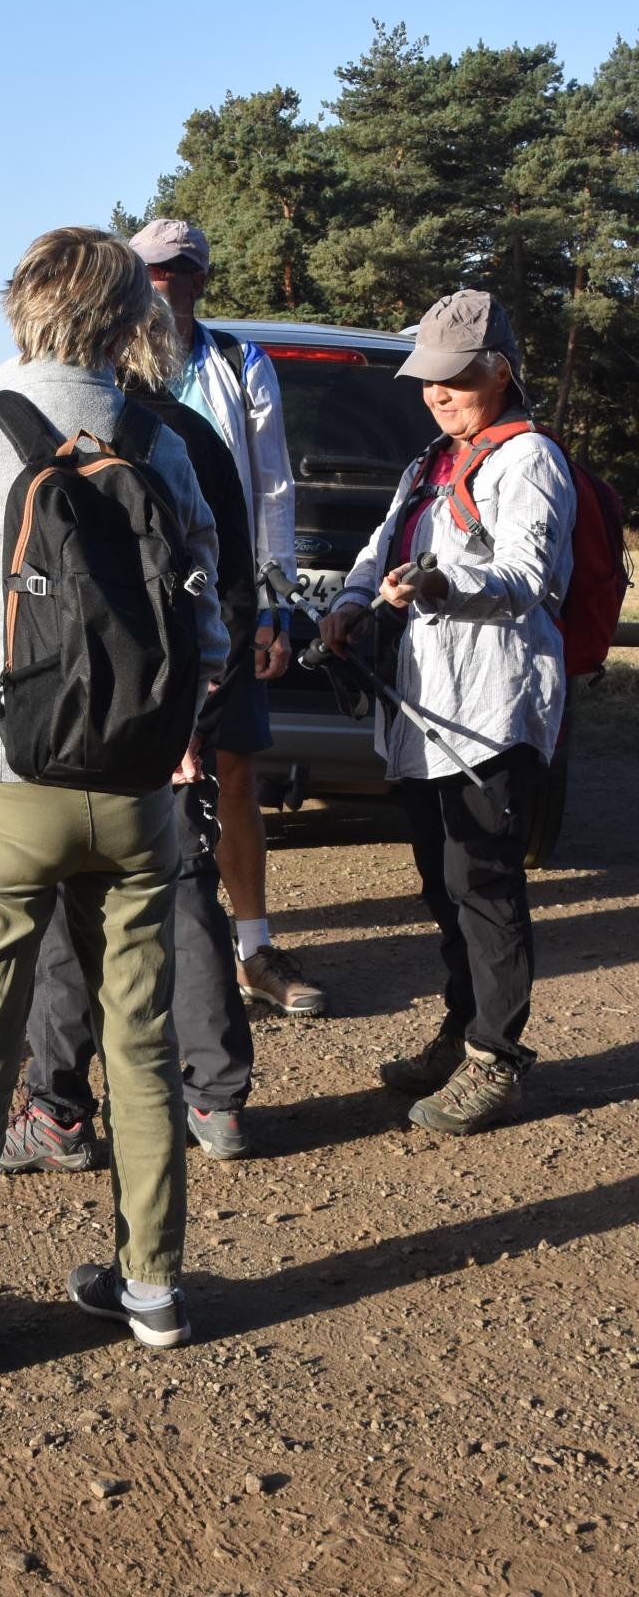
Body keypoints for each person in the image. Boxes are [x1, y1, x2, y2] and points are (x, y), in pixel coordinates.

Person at [0, 228, 225, 1376]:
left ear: (20, 307)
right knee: (142, 1037)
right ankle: (154, 1285)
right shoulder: (163, 446)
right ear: (133, 319)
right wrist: (175, 738)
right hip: (134, 791)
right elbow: (208, 624)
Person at [319, 291, 574, 1136]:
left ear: (498, 371)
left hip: (492, 710)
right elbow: (380, 545)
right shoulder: (432, 459)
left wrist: (443, 587)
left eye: (454, 377)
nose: (437, 391)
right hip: (429, 710)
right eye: (428, 378)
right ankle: (462, 1034)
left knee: (485, 885)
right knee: (442, 883)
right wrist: (355, 601)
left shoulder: (528, 459)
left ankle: (495, 1064)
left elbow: (529, 578)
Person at [2, 392, 260, 1166]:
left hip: (67, 715)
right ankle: (216, 1102)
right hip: (165, 710)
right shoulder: (186, 437)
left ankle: (58, 1110)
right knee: (185, 891)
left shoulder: (33, 427)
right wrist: (194, 714)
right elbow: (225, 577)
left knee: (64, 909)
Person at [130, 218, 326, 1017]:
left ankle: (253, 951)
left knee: (237, 771)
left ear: (201, 278)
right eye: (150, 268)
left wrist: (276, 607)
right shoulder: (111, 364)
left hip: (232, 593)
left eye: (179, 268)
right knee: (137, 774)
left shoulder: (242, 361)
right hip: (138, 599)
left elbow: (272, 485)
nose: (164, 280)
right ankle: (151, 958)